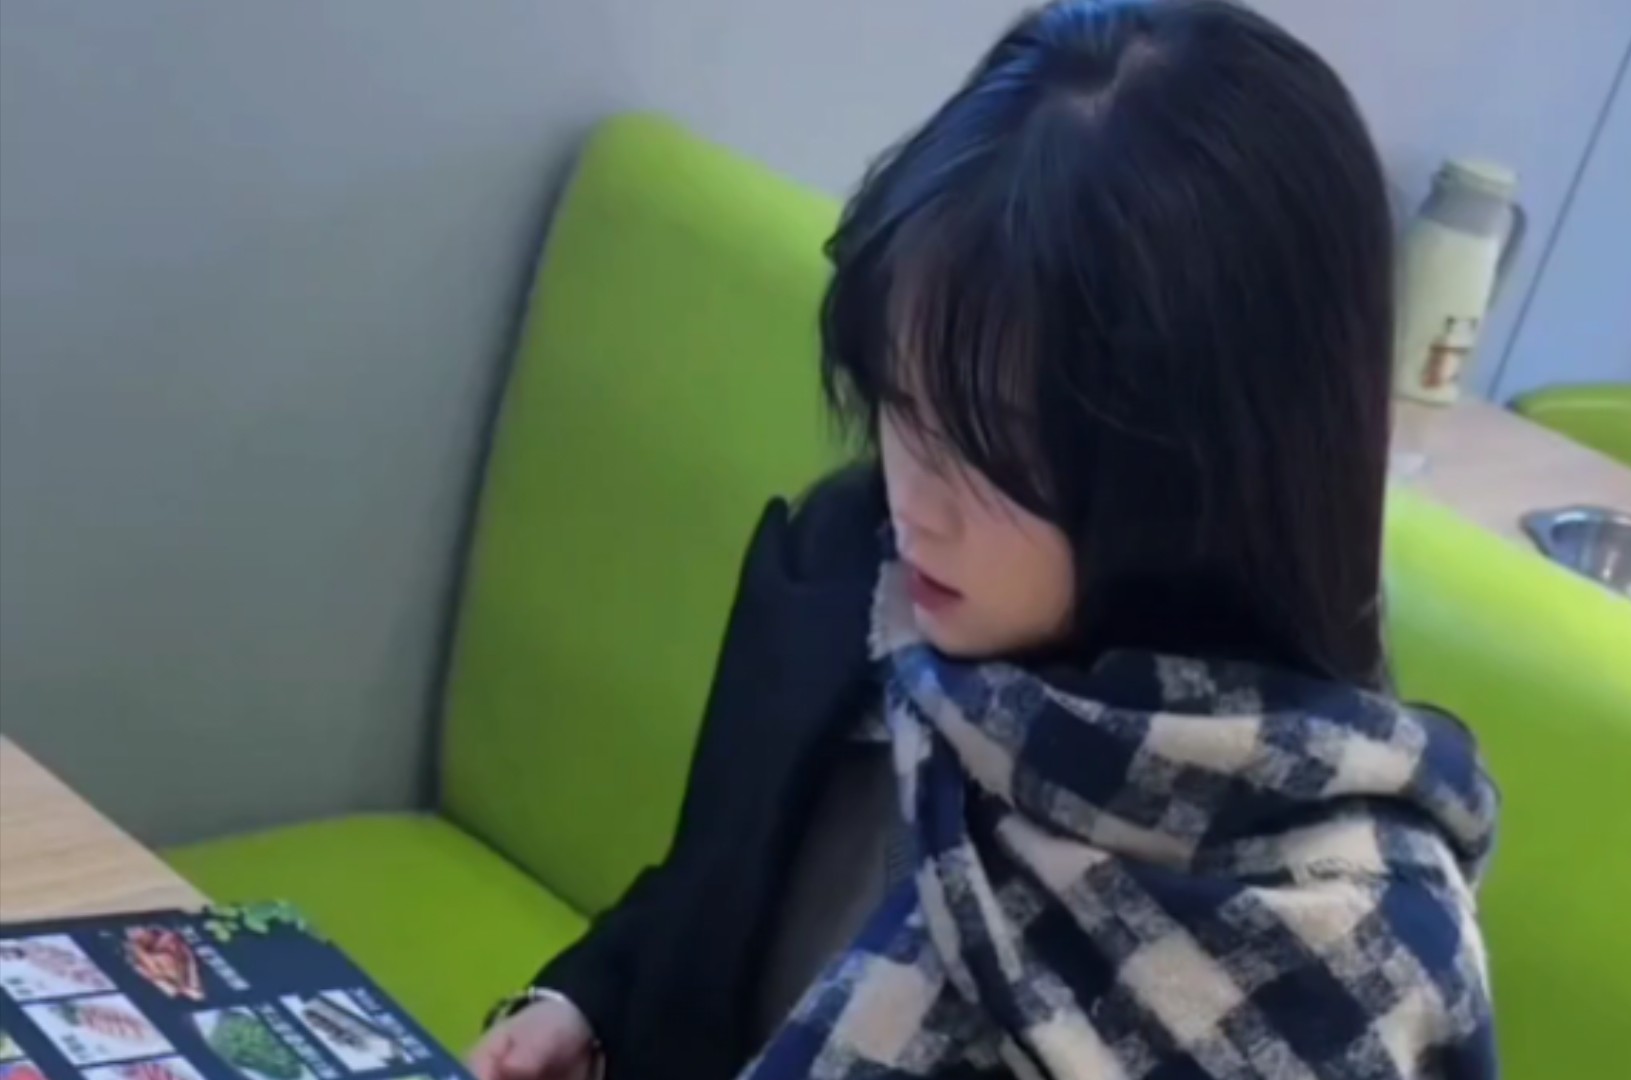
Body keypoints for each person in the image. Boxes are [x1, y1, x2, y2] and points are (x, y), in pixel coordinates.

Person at [468, 1, 1500, 1077]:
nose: (916, 499)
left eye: (999, 449)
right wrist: (582, 1006)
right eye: (900, 402)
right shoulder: (852, 572)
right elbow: (710, 900)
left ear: (1210, 462)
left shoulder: (1342, 950)